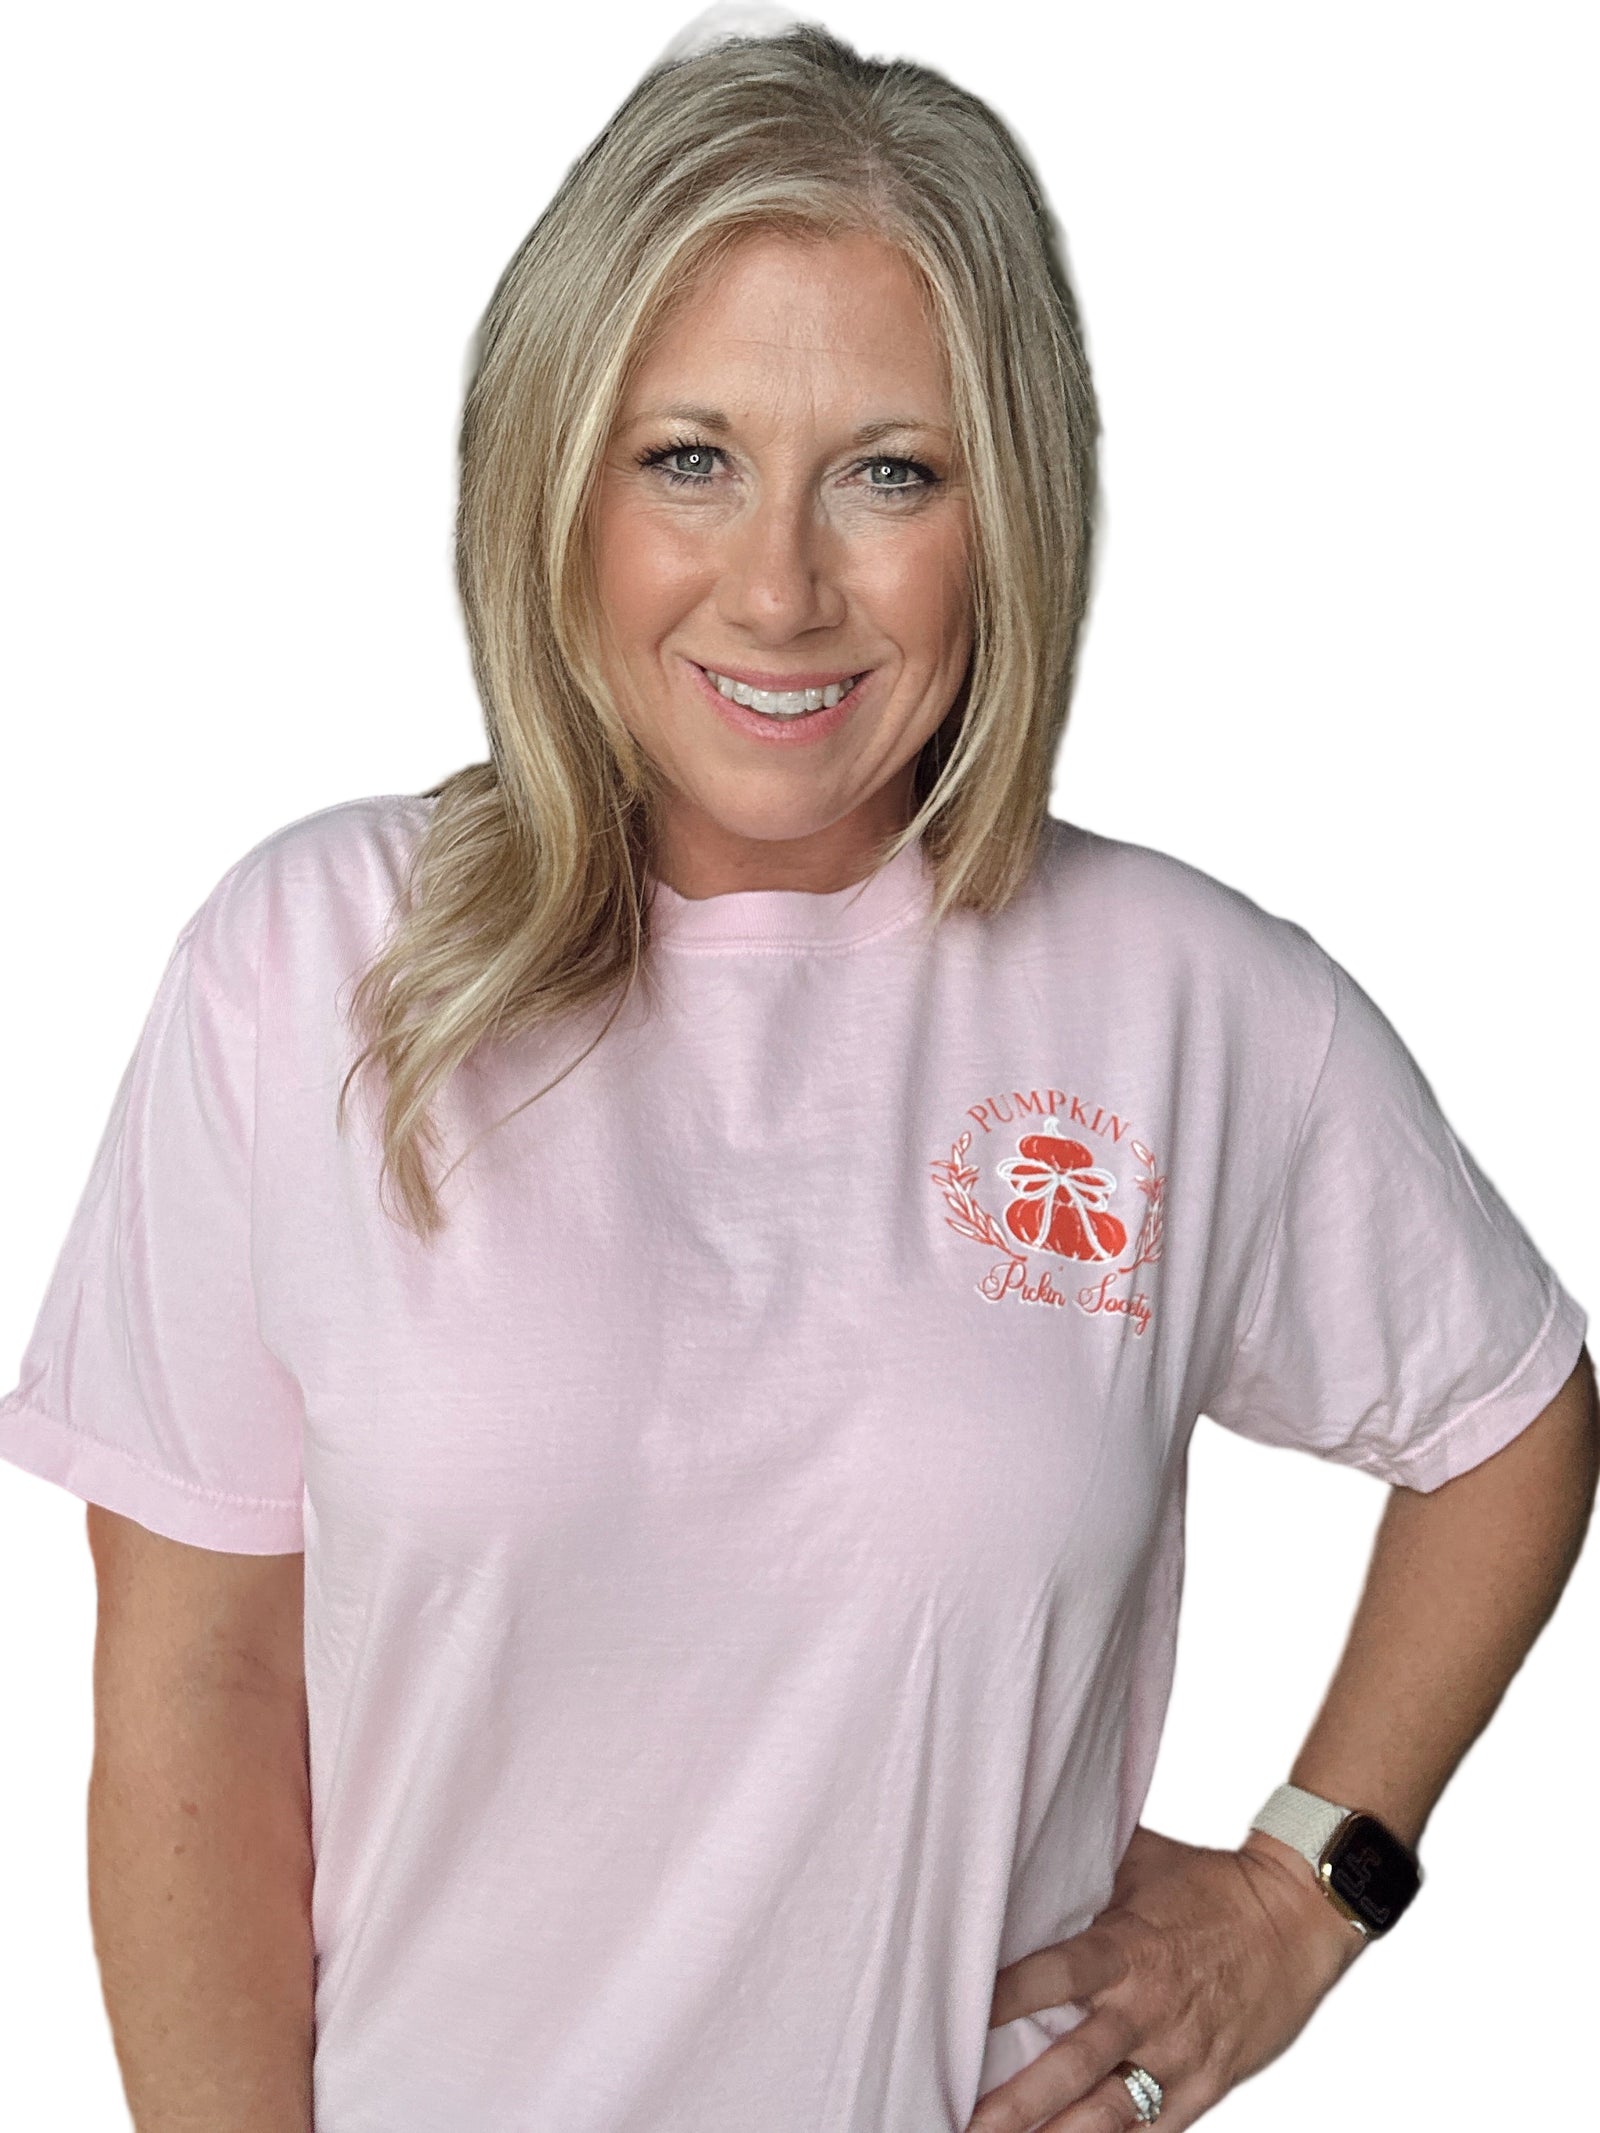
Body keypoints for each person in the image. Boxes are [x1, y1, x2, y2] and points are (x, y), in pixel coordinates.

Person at [1, 18, 1593, 2133]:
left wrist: (1306, 1884)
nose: (777, 583)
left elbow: (1507, 1411)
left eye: (887, 471)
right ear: (552, 472)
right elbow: (193, 1695)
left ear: (1003, 505)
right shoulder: (308, 962)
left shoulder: (1188, 1005)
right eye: (688, 455)